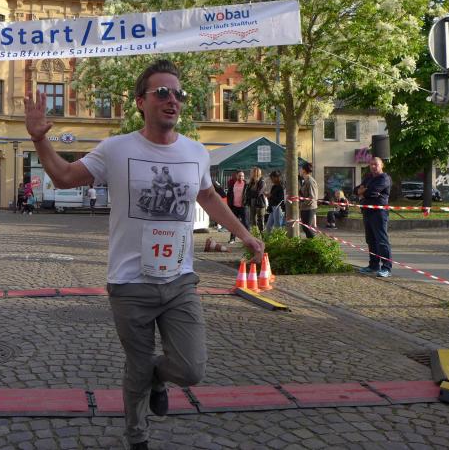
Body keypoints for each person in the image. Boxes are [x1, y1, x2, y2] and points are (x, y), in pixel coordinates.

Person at [24, 59, 263, 450]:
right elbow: (64, 177)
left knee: (191, 368)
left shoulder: (196, 152)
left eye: (179, 94)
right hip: (130, 283)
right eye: (162, 92)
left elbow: (207, 196)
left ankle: (158, 376)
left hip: (179, 280)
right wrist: (39, 140)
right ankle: (137, 436)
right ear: (140, 101)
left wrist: (245, 235)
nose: (173, 100)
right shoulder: (116, 149)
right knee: (135, 369)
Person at [355, 157, 392, 277]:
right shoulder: (368, 178)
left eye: (376, 164)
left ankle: (386, 268)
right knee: (370, 240)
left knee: (381, 240)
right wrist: (362, 191)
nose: (373, 167)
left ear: (382, 165)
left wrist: (363, 192)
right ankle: (373, 265)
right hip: (367, 211)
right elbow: (355, 190)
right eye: (371, 164)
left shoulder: (384, 178)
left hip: (379, 213)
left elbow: (372, 192)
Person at [225, 170, 249, 242]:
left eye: (242, 176)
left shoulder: (246, 185)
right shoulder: (233, 184)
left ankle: (249, 239)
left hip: (243, 206)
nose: (241, 177)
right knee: (234, 223)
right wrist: (229, 204)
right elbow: (229, 195)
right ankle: (232, 239)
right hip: (234, 207)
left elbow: (249, 195)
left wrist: (246, 203)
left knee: (245, 223)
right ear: (237, 176)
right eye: (240, 176)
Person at [298, 162, 318, 238]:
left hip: (309, 207)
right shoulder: (305, 180)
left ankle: (314, 242)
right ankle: (309, 242)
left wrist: (302, 204)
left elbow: (312, 197)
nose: (299, 171)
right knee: (305, 228)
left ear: (304, 170)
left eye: (300, 169)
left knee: (307, 228)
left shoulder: (310, 181)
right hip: (304, 207)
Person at [246, 167, 267, 232]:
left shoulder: (262, 182)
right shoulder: (251, 182)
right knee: (253, 220)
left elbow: (258, 193)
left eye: (252, 172)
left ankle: (262, 235)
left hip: (260, 203)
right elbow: (247, 193)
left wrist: (251, 193)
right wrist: (252, 193)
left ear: (256, 173)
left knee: (260, 221)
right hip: (252, 203)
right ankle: (255, 235)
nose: (251, 174)